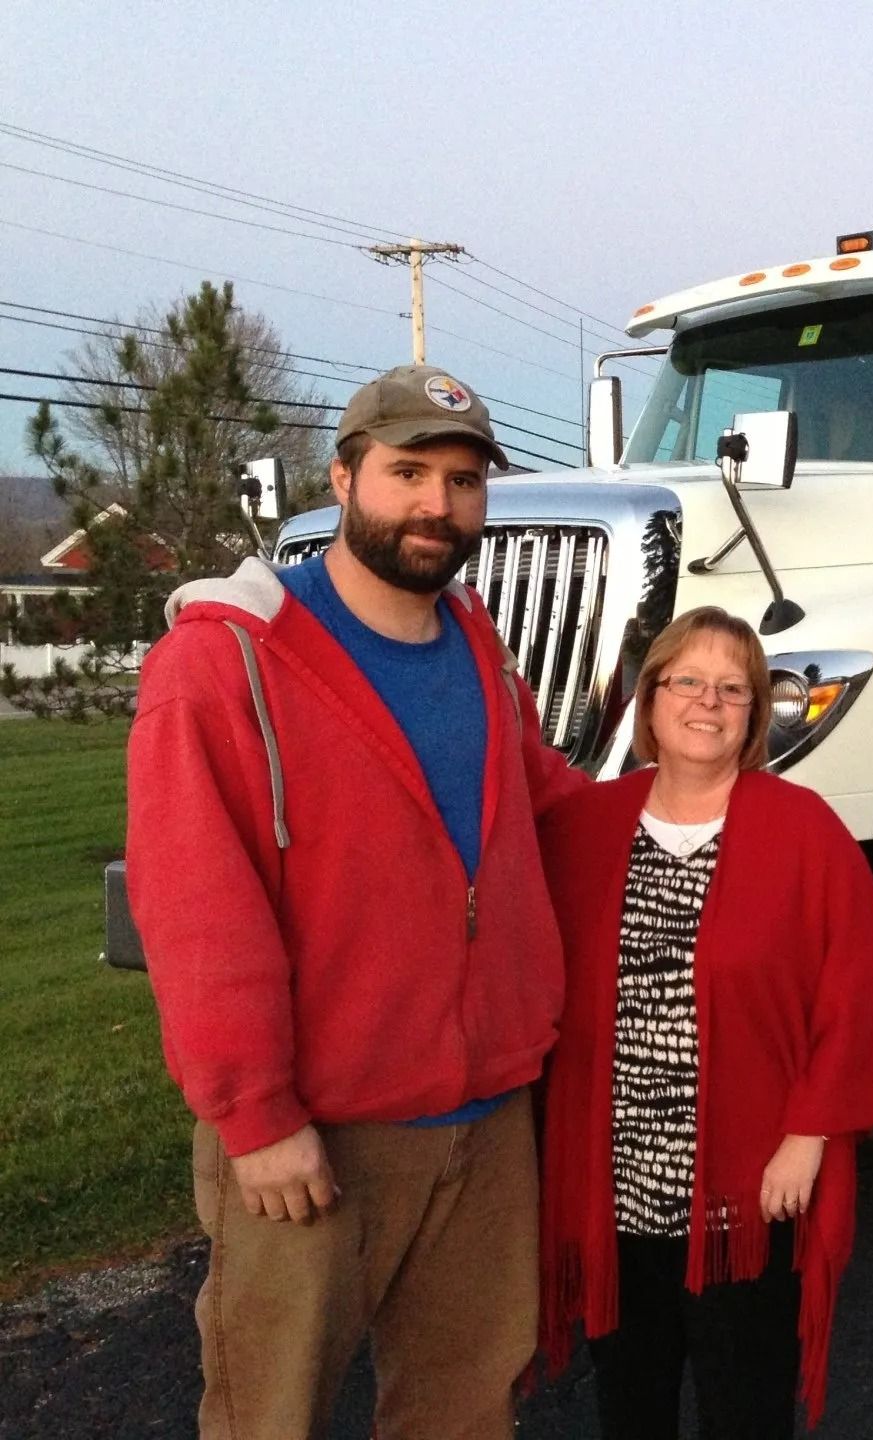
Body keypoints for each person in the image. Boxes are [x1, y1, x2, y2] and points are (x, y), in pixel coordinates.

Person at [126, 364, 588, 1438]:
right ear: (342, 477)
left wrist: (701, 816)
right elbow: (197, 908)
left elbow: (544, 805)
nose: (439, 505)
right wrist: (255, 1116)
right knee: (267, 1414)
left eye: (465, 480)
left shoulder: (474, 640)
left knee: (467, 1409)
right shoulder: (225, 661)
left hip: (484, 1121)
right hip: (318, 1136)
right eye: (408, 472)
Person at [535, 606, 873, 1437]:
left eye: (732, 689)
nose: (707, 703)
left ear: (752, 715)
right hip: (618, 1187)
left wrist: (809, 1135)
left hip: (745, 1197)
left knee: (744, 1407)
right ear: (650, 700)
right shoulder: (586, 828)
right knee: (630, 1407)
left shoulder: (804, 831)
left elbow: (854, 995)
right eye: (688, 682)